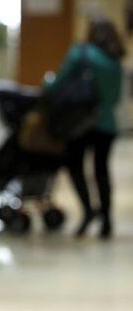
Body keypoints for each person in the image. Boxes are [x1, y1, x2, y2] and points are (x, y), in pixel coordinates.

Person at [46, 17, 125, 239]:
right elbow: (116, 97)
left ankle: (88, 210)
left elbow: (59, 83)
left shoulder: (80, 54)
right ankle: (107, 221)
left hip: (78, 123)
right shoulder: (115, 61)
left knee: (75, 166)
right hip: (107, 123)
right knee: (101, 171)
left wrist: (46, 86)